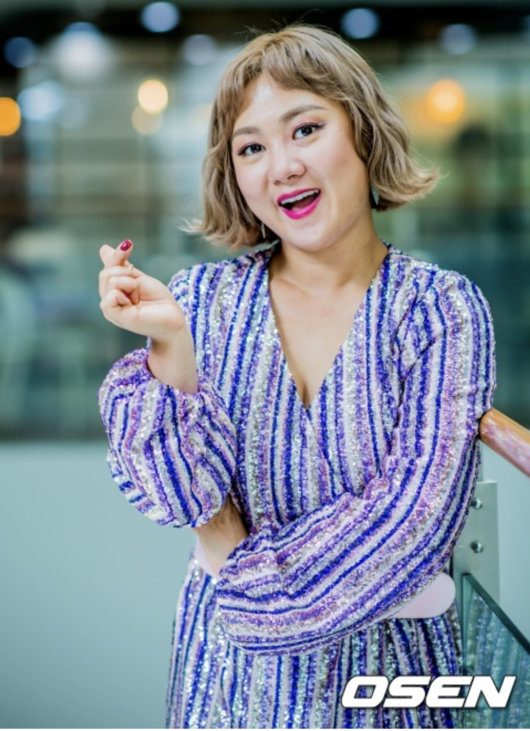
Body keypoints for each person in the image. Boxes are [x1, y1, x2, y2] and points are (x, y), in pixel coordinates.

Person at [97, 24, 496, 729]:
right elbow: (169, 493)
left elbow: (412, 523)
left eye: (305, 129)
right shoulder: (202, 302)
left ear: (363, 132)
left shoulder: (440, 309)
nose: (281, 166)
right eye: (250, 147)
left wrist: (233, 565)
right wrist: (171, 350)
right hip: (227, 690)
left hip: (391, 684)